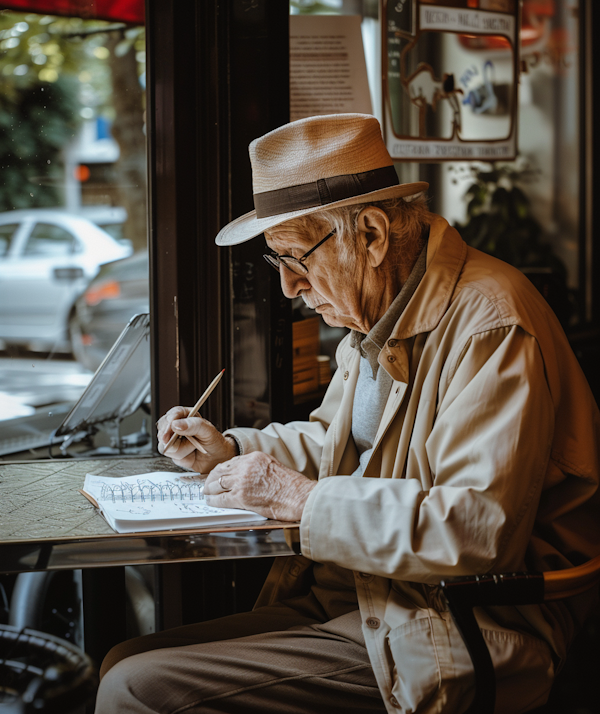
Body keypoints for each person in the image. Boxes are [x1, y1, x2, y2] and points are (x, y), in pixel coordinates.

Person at [95, 114, 600, 714]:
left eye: (294, 258)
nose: (287, 286)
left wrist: (303, 501)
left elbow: (472, 529)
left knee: (134, 689)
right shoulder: (378, 316)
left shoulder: (490, 325)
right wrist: (229, 449)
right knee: (120, 661)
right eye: (275, 261)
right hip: (369, 595)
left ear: (372, 235)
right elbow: (339, 442)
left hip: (456, 624)